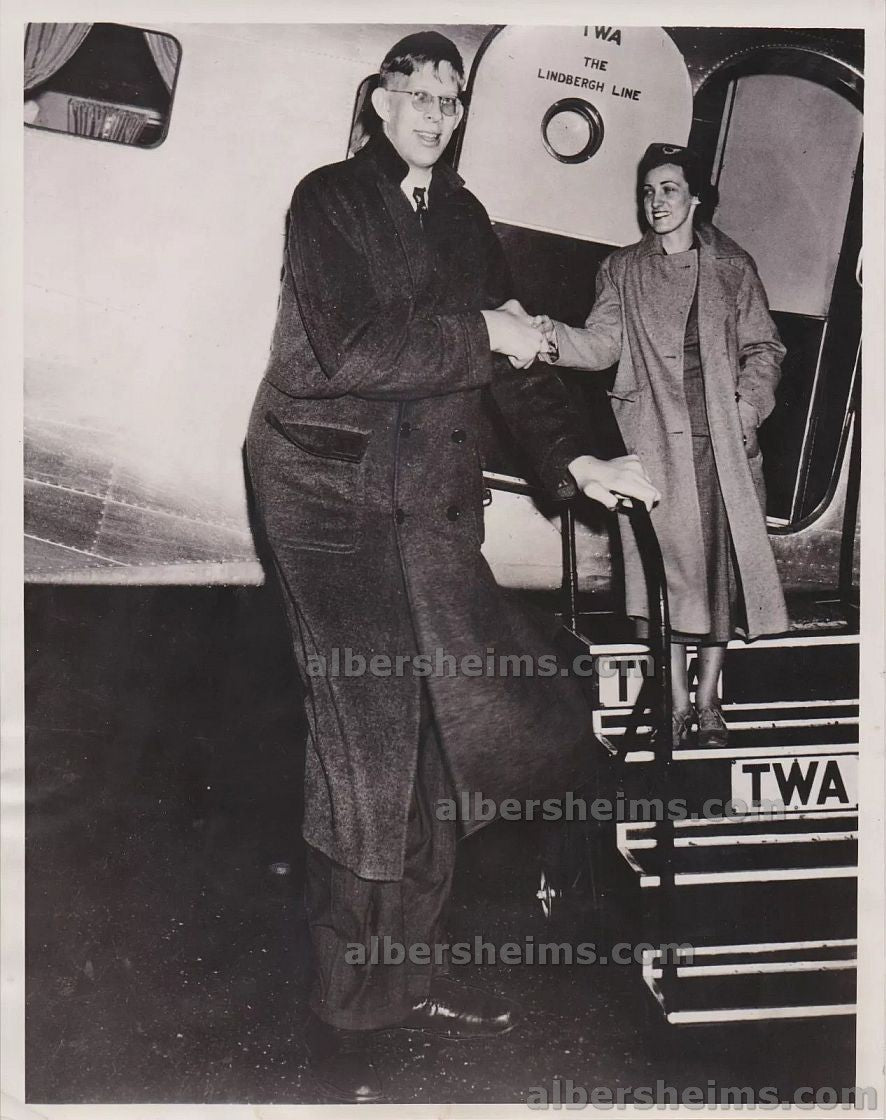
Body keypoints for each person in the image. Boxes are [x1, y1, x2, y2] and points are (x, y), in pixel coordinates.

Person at [245, 32, 658, 1103]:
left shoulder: (465, 217)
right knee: (366, 740)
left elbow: (513, 365)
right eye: (416, 94)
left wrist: (575, 460)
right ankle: (348, 1005)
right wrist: (485, 330)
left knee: (444, 729)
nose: (435, 112)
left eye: (450, 97)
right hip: (328, 501)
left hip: (422, 502)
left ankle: (411, 979)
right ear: (378, 100)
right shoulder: (329, 201)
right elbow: (358, 350)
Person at [535, 142, 788, 749]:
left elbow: (765, 348)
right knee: (664, 579)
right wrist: (547, 338)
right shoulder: (622, 269)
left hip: (723, 446)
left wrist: (748, 408)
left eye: (669, 189)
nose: (656, 202)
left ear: (696, 197)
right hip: (655, 444)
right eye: (648, 192)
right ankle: (674, 704)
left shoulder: (734, 265)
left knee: (719, 575)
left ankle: (709, 703)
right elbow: (602, 345)